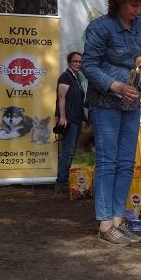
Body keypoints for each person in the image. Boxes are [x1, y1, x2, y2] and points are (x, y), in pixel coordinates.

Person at [82, 0, 141, 246]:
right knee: (108, 161)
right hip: (104, 102)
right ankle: (105, 224)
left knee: (127, 162)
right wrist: (114, 85)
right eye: (133, 4)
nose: (137, 10)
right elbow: (89, 66)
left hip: (131, 103)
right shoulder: (100, 28)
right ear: (117, 1)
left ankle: (118, 220)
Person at [54, 51, 87, 193]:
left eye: (80, 62)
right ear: (69, 62)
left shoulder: (77, 77)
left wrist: (85, 118)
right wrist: (62, 117)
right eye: (75, 61)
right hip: (69, 119)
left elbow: (79, 100)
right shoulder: (65, 77)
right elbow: (62, 97)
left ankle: (65, 179)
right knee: (67, 150)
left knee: (71, 151)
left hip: (77, 118)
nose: (78, 64)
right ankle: (61, 182)